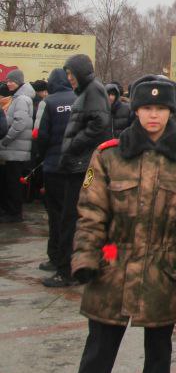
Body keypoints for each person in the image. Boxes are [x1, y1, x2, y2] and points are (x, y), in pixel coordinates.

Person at [58, 76, 176, 373]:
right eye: (146, 108)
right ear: (136, 110)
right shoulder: (108, 156)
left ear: (171, 112)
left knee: (158, 353)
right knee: (98, 353)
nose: (153, 115)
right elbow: (91, 213)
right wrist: (86, 258)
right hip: (112, 267)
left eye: (160, 109)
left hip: (164, 270)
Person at [44, 54, 111, 287]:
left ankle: (67, 271)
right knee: (70, 217)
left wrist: (74, 144)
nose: (69, 77)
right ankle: (68, 267)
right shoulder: (87, 91)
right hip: (78, 164)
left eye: (72, 73)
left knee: (71, 218)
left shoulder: (93, 90)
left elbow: (99, 123)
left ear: (81, 71)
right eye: (68, 74)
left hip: (82, 165)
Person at [31, 68, 76, 271]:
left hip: (53, 166)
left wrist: (43, 156)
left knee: (55, 213)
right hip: (76, 167)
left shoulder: (48, 102)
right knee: (73, 213)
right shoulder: (79, 99)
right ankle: (72, 256)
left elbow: (40, 135)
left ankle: (56, 256)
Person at [0, 68, 34, 223]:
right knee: (10, 181)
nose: (8, 83)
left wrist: (5, 139)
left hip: (15, 149)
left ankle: (14, 213)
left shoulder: (22, 99)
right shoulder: (17, 97)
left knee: (13, 183)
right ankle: (11, 211)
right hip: (14, 148)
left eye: (11, 81)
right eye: (7, 81)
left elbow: (20, 123)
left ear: (19, 82)